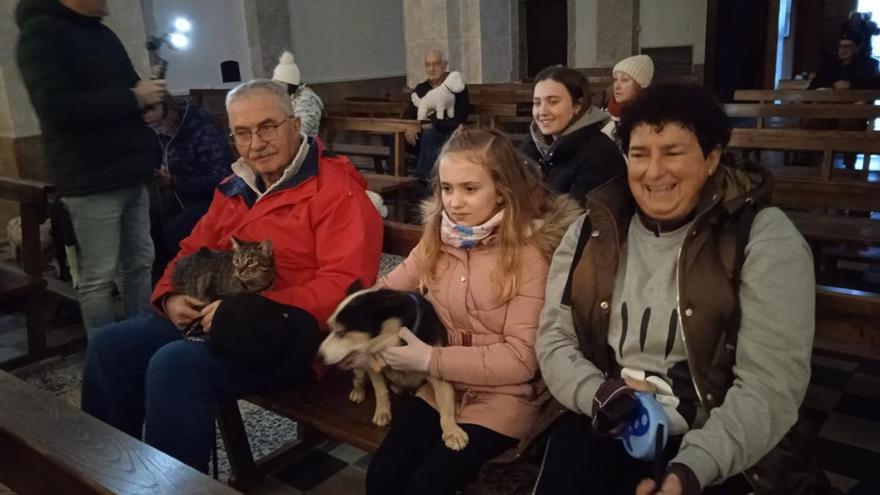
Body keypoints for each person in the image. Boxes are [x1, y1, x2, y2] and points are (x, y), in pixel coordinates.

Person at [80, 79, 384, 472]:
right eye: (242, 132)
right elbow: (194, 249)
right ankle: (102, 475)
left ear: (295, 125)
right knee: (111, 347)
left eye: (267, 127)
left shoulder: (337, 192)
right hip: (218, 317)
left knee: (174, 367)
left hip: (297, 336)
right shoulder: (236, 186)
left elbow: (346, 287)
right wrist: (171, 296)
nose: (256, 143)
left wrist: (249, 307)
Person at [534, 84, 822, 494]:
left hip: (714, 435)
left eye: (673, 152)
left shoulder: (763, 239)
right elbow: (554, 337)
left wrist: (691, 470)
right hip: (608, 411)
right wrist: (599, 393)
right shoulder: (591, 231)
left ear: (711, 158)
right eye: (639, 154)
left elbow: (768, 387)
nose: (654, 172)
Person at [365, 128, 582, 495]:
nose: (455, 202)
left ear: (502, 190)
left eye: (470, 188)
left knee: (426, 487)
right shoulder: (439, 237)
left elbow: (520, 360)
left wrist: (430, 359)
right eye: (447, 189)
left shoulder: (527, 254)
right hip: (442, 389)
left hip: (505, 398)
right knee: (381, 478)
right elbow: (388, 290)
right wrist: (354, 317)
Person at [16, 0, 166, 336]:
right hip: (91, 178)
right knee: (98, 278)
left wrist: (149, 108)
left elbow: (131, 88)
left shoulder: (102, 34)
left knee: (140, 265)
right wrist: (133, 99)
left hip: (130, 171)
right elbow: (57, 108)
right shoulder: (41, 33)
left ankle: (138, 340)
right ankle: (106, 353)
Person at [149, 95, 233, 276]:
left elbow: (222, 178)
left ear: (169, 112)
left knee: (168, 236)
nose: (157, 131)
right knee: (149, 230)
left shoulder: (202, 128)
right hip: (182, 197)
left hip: (213, 200)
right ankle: (163, 291)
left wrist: (173, 181)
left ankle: (180, 283)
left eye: (158, 125)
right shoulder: (166, 132)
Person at [523, 66, 626, 206]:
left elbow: (576, 219)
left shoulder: (599, 154)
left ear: (578, 105)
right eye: (537, 103)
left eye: (553, 102)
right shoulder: (533, 145)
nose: (542, 111)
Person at [404, 50, 471, 183]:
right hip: (422, 135)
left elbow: (460, 118)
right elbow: (409, 114)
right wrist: (408, 126)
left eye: (436, 64)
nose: (431, 68)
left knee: (430, 135)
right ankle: (397, 184)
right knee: (396, 137)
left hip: (448, 134)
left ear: (445, 65)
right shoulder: (421, 88)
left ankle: (423, 183)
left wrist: (435, 124)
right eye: (428, 65)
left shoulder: (457, 88)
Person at [602, 54, 654, 144]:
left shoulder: (649, 120)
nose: (617, 86)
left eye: (624, 80)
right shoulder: (602, 117)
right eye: (615, 79)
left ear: (639, 86)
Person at [272, 50, 324, 138]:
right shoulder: (286, 98)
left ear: (290, 85)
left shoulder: (307, 100)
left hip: (306, 146)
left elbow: (301, 129)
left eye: (280, 85)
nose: (277, 89)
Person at [809, 30, 880, 90]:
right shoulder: (829, 64)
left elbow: (876, 84)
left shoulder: (870, 64)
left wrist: (851, 85)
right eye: (840, 46)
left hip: (859, 103)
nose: (843, 50)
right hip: (830, 103)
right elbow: (814, 85)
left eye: (848, 47)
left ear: (857, 49)